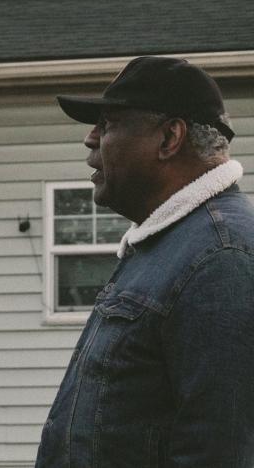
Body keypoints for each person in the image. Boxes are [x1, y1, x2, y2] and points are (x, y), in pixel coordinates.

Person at [35, 56, 254, 466]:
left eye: (110, 123)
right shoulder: (171, 245)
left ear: (170, 138)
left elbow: (221, 452)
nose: (90, 138)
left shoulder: (222, 260)